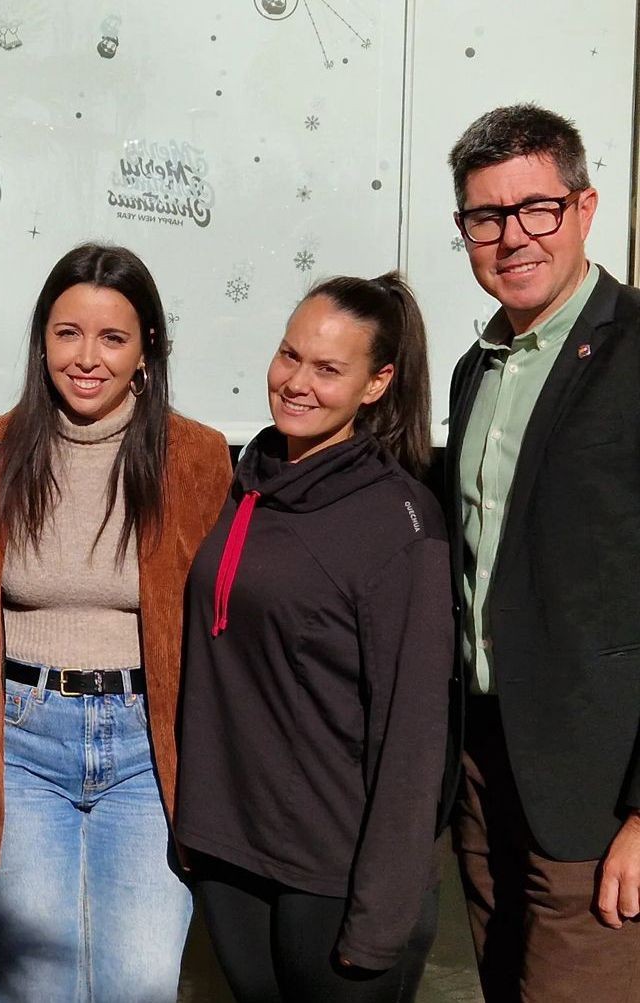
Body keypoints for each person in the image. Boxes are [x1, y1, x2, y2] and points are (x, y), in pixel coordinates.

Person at [0, 243, 232, 1002]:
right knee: (29, 989)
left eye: (113, 337)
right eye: (67, 333)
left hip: (149, 748)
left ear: (147, 349)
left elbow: (223, 618)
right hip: (20, 741)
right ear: (42, 339)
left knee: (138, 985)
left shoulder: (196, 455)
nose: (86, 358)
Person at [176, 272, 453, 1002]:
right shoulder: (244, 481)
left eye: (328, 368)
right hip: (231, 856)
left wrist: (381, 916)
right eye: (289, 354)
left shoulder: (399, 522)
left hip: (332, 875)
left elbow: (413, 730)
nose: (296, 382)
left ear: (376, 384)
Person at [445, 104, 640, 1001]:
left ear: (585, 207)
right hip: (487, 775)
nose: (512, 236)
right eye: (487, 216)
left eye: (537, 208)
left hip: (597, 797)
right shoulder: (476, 368)